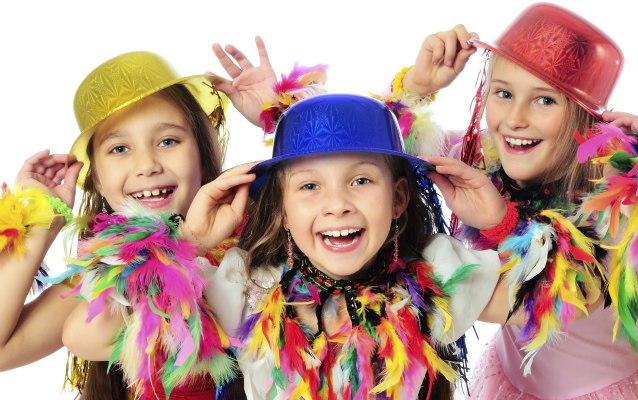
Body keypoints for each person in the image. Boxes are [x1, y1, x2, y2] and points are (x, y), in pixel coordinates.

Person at [379, 3, 638, 399]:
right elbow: (385, 164)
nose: (514, 118)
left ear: (585, 119)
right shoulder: (487, 160)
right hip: (511, 384)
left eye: (544, 100)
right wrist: (418, 85)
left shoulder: (615, 206)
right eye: (503, 93)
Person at [0, 38, 279, 399]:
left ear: (202, 149)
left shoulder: (260, 230)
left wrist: (283, 117)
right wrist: (43, 222)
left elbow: (338, 200)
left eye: (168, 141)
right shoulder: (105, 274)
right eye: (120, 149)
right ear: (96, 177)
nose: (147, 165)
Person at [178, 92, 502, 399]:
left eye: (361, 181)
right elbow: (148, 310)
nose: (337, 205)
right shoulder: (248, 290)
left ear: (398, 199)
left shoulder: (434, 280)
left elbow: (544, 300)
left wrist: (497, 222)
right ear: (283, 212)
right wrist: (191, 241)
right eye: (309, 185)